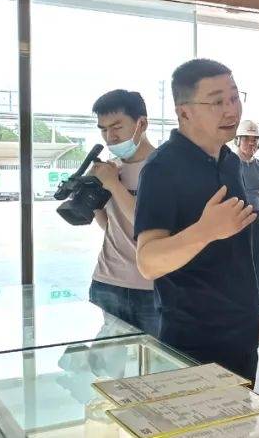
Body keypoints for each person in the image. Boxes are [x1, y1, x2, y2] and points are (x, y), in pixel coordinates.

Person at [134, 59, 259, 381]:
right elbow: (148, 261)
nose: (231, 110)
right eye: (217, 102)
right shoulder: (162, 168)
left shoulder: (230, 160)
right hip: (192, 338)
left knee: (241, 413)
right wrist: (205, 231)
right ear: (184, 112)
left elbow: (239, 255)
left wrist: (255, 310)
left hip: (242, 330)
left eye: (234, 98)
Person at [81, 89, 161, 336]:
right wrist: (94, 197)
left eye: (117, 127)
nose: (110, 137)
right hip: (107, 280)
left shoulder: (163, 167)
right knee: (107, 360)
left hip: (150, 286)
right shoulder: (110, 169)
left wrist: (114, 186)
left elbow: (149, 227)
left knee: (155, 357)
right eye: (103, 129)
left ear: (141, 124)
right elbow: (109, 226)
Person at [236, 119, 259, 297]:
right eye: (247, 139)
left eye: (255, 139)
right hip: (236, 221)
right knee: (239, 267)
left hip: (257, 220)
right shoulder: (229, 164)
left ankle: (258, 307)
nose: (251, 143)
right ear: (237, 140)